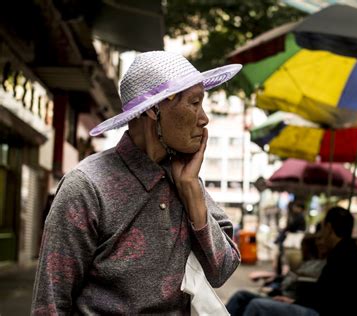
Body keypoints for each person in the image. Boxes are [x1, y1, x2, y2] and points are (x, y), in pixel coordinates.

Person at [31, 51, 242, 314]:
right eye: (194, 103)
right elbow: (50, 304)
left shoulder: (184, 177)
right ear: (155, 109)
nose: (204, 118)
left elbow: (222, 271)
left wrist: (191, 191)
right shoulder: (87, 186)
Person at [240, 206, 357, 316]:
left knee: (256, 306)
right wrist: (294, 302)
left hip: (320, 312)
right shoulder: (348, 253)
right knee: (245, 298)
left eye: (323, 229)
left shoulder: (342, 256)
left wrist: (294, 303)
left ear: (329, 228)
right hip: (317, 307)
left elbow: (327, 299)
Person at [226, 233, 327, 316]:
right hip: (282, 292)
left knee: (256, 305)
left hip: (293, 300)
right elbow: (288, 278)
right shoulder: (306, 263)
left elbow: (306, 288)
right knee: (241, 295)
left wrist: (292, 300)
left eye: (304, 246)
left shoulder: (321, 264)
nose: (302, 249)